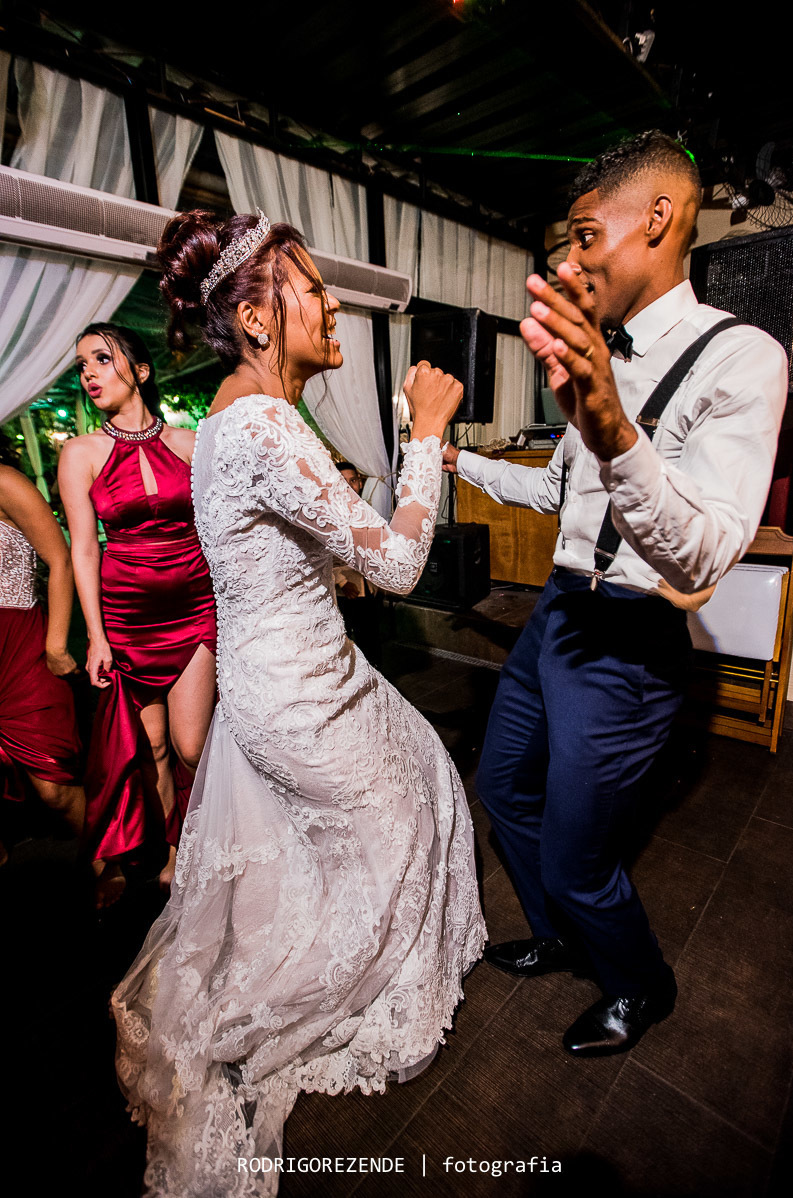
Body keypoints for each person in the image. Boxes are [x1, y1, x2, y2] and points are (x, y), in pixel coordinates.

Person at [111, 209, 485, 1196]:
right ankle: (299, 1007)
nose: (331, 305)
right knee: (410, 814)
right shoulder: (266, 422)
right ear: (258, 319)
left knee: (409, 790)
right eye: (311, 288)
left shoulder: (239, 414)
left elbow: (303, 552)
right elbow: (401, 564)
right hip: (298, 693)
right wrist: (425, 435)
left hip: (281, 675)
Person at [444, 130, 787, 1057]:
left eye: (586, 236)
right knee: (504, 787)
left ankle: (642, 984)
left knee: (581, 852)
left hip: (632, 639)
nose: (569, 260)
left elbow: (705, 555)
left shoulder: (741, 357)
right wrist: (461, 461)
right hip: (560, 611)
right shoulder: (598, 350)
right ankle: (562, 934)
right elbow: (561, 493)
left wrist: (615, 429)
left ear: (660, 220)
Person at [58, 325, 217, 906]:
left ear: (141, 371)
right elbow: (83, 548)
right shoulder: (79, 452)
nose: (90, 374)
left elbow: (218, 530)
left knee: (193, 746)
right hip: (127, 619)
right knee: (148, 748)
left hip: (196, 605)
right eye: (82, 366)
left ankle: (201, 843)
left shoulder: (192, 443)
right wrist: (96, 636)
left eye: (102, 359)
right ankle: (167, 853)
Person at [0, 432, 84, 861]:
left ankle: (104, 858)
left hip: (17, 644)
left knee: (53, 784)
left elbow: (61, 559)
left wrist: (55, 643)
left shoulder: (5, 481)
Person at [333, 460, 384, 665]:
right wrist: (343, 582)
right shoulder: (330, 515)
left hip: (369, 586)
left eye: (353, 480)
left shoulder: (367, 510)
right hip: (345, 588)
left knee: (371, 638)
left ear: (360, 483)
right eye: (343, 481)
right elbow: (324, 554)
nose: (349, 486)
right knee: (347, 641)